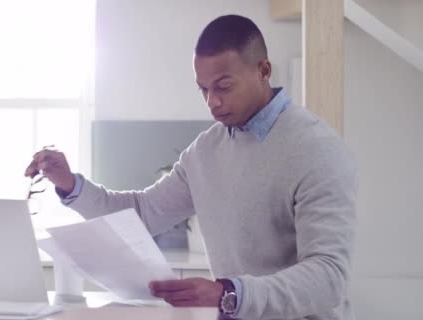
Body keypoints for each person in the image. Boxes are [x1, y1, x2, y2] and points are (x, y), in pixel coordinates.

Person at [24, 15, 357, 320]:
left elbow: (329, 277)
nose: (212, 101)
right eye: (203, 89)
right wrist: (69, 184)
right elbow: (142, 212)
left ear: (264, 71)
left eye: (224, 87)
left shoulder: (316, 149)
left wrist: (229, 293)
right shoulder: (206, 150)